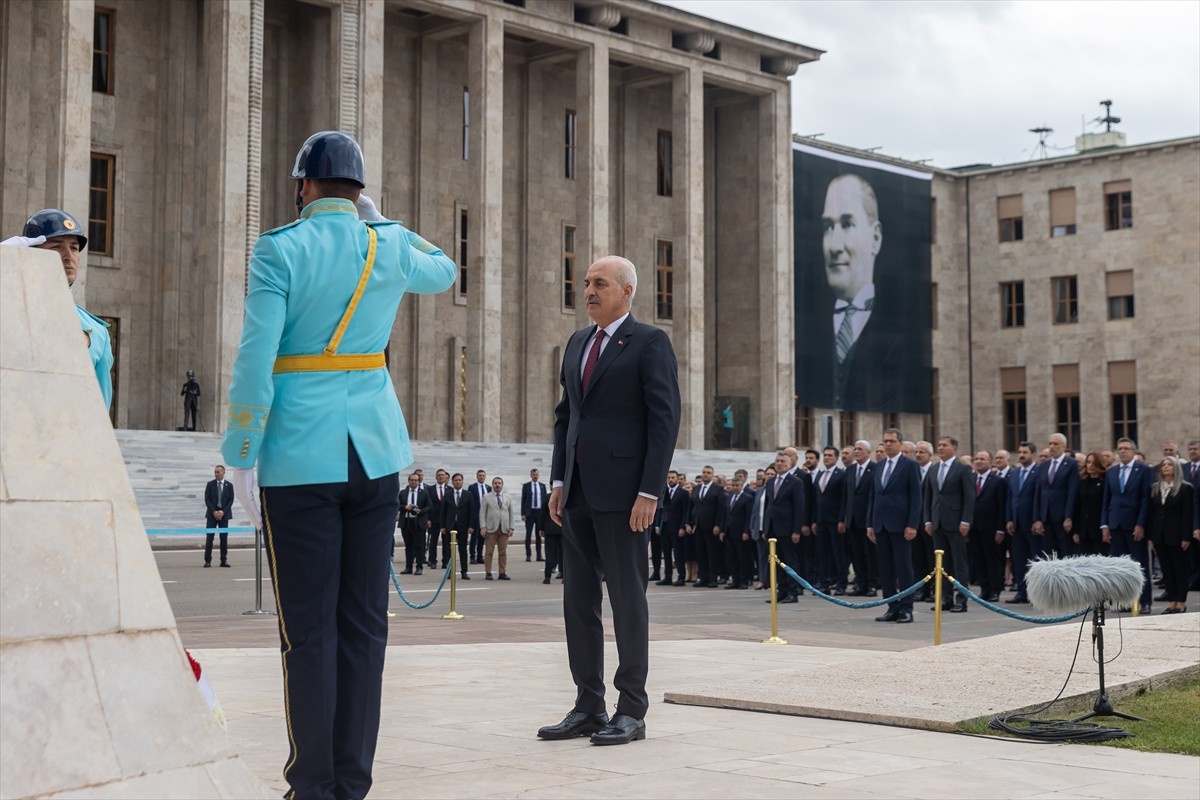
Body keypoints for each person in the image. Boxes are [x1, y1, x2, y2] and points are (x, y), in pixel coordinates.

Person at [221, 130, 456, 800]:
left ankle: (312, 783)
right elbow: (444, 271)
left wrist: (241, 452)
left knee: (309, 631)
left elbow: (255, 360)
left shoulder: (279, 249)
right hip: (376, 452)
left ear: (303, 187)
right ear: (358, 191)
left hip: (300, 453)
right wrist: (381, 222)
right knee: (364, 625)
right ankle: (352, 781)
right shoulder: (388, 244)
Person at [540, 255, 681, 747]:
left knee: (626, 601)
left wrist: (649, 490)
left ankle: (632, 710)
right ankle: (587, 706)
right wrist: (558, 480)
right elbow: (566, 418)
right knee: (577, 603)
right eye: (586, 284)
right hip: (576, 492)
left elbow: (664, 420)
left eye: (600, 283)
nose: (589, 290)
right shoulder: (578, 342)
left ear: (627, 291)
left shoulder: (649, 342)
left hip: (624, 497)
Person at [4, 209, 113, 409]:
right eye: (56, 247)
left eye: (74, 248)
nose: (68, 256)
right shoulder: (8, 311)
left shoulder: (97, 333)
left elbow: (100, 407)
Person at [867, 428, 922, 623]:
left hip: (901, 525)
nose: (887, 444)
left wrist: (912, 524)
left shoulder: (909, 466)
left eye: (891, 441)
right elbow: (874, 496)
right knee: (885, 568)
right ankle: (892, 606)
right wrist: (870, 524)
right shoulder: (879, 466)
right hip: (880, 524)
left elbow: (916, 497)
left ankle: (906, 607)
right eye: (885, 441)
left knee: (904, 567)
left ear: (900, 443)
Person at [1099, 437, 1153, 613]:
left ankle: (1144, 601)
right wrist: (1104, 525)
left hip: (1134, 524)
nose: (1122, 451)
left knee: (1139, 564)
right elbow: (1107, 500)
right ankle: (1123, 601)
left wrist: (1141, 524)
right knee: (1119, 566)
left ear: (1134, 452)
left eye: (1126, 448)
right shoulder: (1112, 472)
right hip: (1115, 524)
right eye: (1120, 448)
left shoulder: (1143, 470)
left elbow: (1146, 499)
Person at [923, 436, 974, 612]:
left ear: (954, 448)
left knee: (959, 563)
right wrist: (928, 519)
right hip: (937, 522)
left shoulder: (962, 468)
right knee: (942, 564)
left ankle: (961, 599)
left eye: (944, 445)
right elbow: (929, 497)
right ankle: (946, 599)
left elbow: (969, 497)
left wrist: (965, 520)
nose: (941, 448)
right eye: (939, 445)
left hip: (956, 522)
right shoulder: (934, 469)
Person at [1147, 457, 1194, 614]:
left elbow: (1187, 514)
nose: (1165, 467)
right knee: (1167, 570)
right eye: (1163, 465)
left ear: (1176, 468)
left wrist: (1186, 537)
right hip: (1159, 535)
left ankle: (1181, 602)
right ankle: (1172, 601)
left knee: (1179, 569)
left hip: (1178, 535)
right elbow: (1152, 514)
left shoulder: (1185, 488)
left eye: (1169, 465)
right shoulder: (1155, 487)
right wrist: (1151, 537)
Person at [967, 451, 1007, 602]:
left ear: (990, 462)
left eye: (982, 459)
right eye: (976, 459)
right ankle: (984, 588)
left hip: (991, 527)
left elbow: (1002, 506)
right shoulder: (971, 479)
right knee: (978, 559)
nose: (978, 461)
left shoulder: (998, 481)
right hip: (974, 526)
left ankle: (995, 589)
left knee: (992, 559)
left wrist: (1000, 528)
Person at [1033, 433, 1079, 558]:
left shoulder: (1071, 464)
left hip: (1062, 516)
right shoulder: (1044, 465)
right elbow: (1039, 493)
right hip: (1046, 516)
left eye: (1056, 444)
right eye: (1050, 444)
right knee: (1049, 553)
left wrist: (1068, 516)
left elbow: (1072, 492)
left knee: (1065, 551)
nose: (1052, 447)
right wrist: (1037, 518)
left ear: (1064, 446)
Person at [1005, 441, 1040, 604]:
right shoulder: (1015, 473)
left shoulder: (1038, 472)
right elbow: (1011, 497)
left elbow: (1039, 498)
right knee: (1019, 559)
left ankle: (1036, 594)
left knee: (1034, 559)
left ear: (1033, 455)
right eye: (1019, 452)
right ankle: (1021, 591)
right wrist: (1009, 519)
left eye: (1025, 452)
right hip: (1017, 523)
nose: (1021, 455)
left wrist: (1036, 519)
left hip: (1031, 523)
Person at [842, 440, 877, 596]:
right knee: (856, 554)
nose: (856, 452)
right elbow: (845, 496)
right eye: (855, 449)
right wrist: (843, 518)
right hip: (852, 519)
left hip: (868, 519)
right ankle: (860, 583)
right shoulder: (850, 470)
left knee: (870, 554)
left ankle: (872, 584)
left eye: (860, 449)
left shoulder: (875, 469)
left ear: (868, 452)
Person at [812, 446, 848, 594]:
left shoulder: (841, 475)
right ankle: (823, 583)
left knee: (838, 554)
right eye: (825, 455)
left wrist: (841, 519)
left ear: (836, 458)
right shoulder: (819, 475)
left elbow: (844, 499)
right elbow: (815, 499)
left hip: (835, 520)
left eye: (830, 456)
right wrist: (814, 520)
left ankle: (841, 583)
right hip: (821, 520)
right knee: (822, 553)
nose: (827, 458)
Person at [658, 469, 690, 586]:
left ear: (677, 479)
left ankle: (681, 577)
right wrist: (658, 524)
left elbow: (686, 511)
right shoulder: (663, 491)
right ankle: (667, 577)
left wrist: (683, 526)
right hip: (665, 525)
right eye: (669, 478)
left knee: (678, 553)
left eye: (673, 477)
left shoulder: (683, 493)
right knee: (666, 553)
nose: (671, 480)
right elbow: (660, 509)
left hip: (677, 527)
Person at [480, 476, 515, 580]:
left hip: (504, 528)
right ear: (492, 485)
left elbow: (511, 513)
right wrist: (483, 527)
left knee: (503, 552)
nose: (497, 485)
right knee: (489, 551)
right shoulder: (486, 497)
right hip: (491, 528)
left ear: (502, 485)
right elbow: (482, 513)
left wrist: (511, 527)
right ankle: (488, 572)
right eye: (495, 483)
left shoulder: (508, 497)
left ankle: (502, 572)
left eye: (499, 483)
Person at [399, 472, 432, 575]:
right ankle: (408, 567)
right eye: (412, 480)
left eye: (416, 480)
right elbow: (396, 505)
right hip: (406, 521)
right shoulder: (402, 493)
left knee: (420, 545)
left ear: (419, 481)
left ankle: (419, 567)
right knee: (408, 546)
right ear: (408, 481)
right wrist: (405, 507)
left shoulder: (424, 492)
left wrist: (420, 511)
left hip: (419, 522)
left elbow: (429, 506)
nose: (414, 482)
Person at [440, 472, 472, 580]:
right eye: (456, 480)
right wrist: (443, 526)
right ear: (452, 482)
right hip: (450, 526)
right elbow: (443, 511)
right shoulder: (447, 494)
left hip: (463, 526)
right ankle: (449, 571)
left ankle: (464, 571)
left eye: (459, 480)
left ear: (462, 481)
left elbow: (472, 511)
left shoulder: (468, 494)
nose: (458, 482)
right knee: (449, 551)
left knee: (463, 550)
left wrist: (471, 526)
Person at [1075, 452, 1108, 556]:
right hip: (1084, 529)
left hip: (1098, 529)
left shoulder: (1105, 482)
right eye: (1088, 462)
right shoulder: (1083, 483)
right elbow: (1078, 507)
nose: (1090, 465)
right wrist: (1076, 531)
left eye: (1093, 463)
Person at [204, 465, 235, 568]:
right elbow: (207, 499)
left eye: (218, 472)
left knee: (224, 538)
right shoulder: (210, 484)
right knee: (209, 538)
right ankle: (207, 560)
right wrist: (214, 512)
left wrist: (223, 512)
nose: (216, 474)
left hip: (224, 516)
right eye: (215, 472)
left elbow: (231, 500)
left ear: (223, 472)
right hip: (212, 515)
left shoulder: (229, 485)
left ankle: (224, 560)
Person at [521, 468, 548, 563]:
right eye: (533, 474)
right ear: (531, 475)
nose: (535, 476)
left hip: (540, 513)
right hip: (530, 513)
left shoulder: (542, 486)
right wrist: (523, 513)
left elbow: (545, 501)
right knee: (528, 535)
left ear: (538, 475)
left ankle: (539, 555)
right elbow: (523, 500)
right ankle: (528, 555)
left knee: (539, 535)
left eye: (536, 474)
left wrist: (545, 514)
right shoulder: (526, 486)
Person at [467, 469, 491, 565]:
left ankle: (480, 556)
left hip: (485, 516)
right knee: (474, 537)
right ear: (477, 477)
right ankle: (472, 556)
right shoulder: (472, 487)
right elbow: (469, 502)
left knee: (483, 537)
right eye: (480, 475)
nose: (481, 477)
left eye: (483, 475)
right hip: (475, 515)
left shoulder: (488, 488)